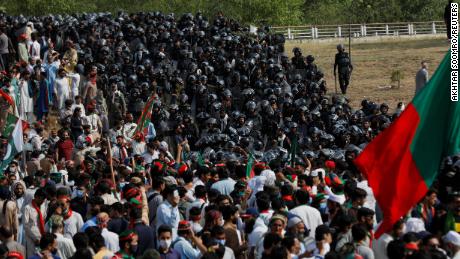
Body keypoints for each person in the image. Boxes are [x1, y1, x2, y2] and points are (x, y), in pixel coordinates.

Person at [24, 188, 47, 258]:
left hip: (42, 237)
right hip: (31, 237)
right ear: (36, 197)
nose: (42, 201)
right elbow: (25, 225)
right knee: (32, 256)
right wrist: (35, 239)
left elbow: (44, 219)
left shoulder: (43, 206)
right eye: (41, 199)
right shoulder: (27, 208)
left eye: (43, 199)